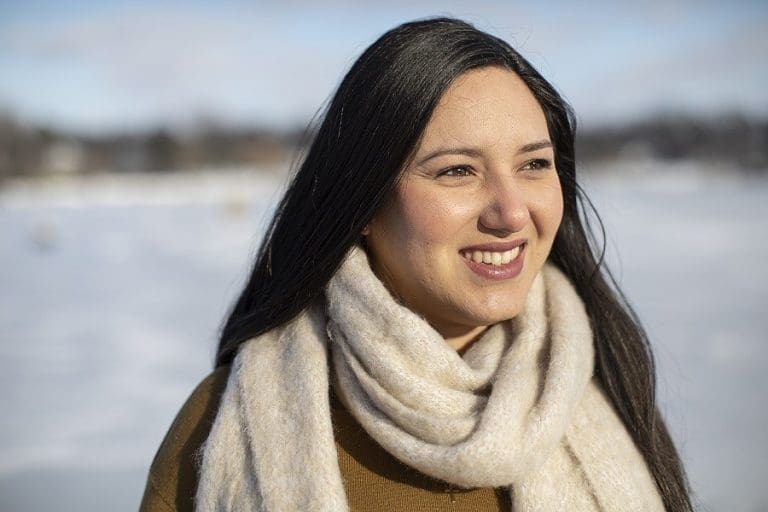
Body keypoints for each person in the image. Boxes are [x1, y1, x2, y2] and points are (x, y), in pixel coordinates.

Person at [140, 17, 693, 512]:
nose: (511, 212)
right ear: (361, 203)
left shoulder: (609, 390)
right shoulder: (219, 428)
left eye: (534, 163)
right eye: (456, 171)